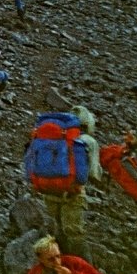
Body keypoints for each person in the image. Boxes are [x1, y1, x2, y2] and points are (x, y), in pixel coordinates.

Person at [36, 106, 102, 259]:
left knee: (55, 227)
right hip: (73, 192)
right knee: (74, 231)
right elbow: (93, 173)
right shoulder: (88, 141)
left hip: (49, 190)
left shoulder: (50, 136)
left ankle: (59, 260)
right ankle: (85, 268)